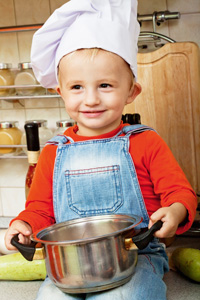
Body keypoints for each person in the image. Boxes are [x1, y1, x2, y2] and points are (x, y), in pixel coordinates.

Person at [5, 1, 197, 300]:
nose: (91, 99)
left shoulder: (145, 142)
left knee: (122, 297)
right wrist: (24, 223)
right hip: (72, 266)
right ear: (61, 92)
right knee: (50, 298)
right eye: (77, 87)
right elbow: (41, 208)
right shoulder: (54, 152)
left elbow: (179, 193)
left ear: (132, 91)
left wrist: (175, 210)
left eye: (105, 85)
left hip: (137, 256)